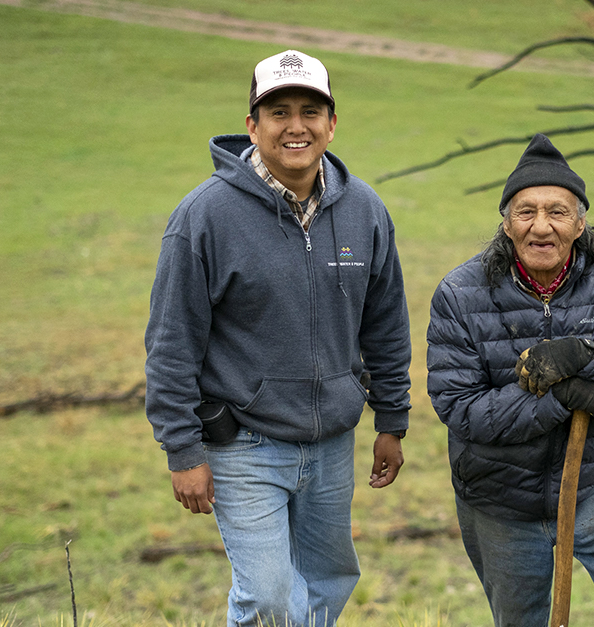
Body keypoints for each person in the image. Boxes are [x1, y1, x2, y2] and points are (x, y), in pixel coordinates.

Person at [144, 49, 411, 627]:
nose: (297, 126)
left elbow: (386, 325)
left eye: (311, 111)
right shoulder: (204, 217)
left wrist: (392, 420)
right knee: (268, 598)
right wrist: (182, 450)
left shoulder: (365, 210)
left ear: (332, 124)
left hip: (333, 443)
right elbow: (171, 344)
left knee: (327, 586)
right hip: (244, 442)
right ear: (252, 126)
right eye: (279, 112)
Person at [427, 134, 594, 626]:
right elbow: (461, 410)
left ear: (580, 221)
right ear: (506, 224)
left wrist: (588, 355)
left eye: (558, 212)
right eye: (525, 212)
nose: (541, 227)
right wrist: (563, 397)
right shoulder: (460, 294)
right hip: (498, 494)